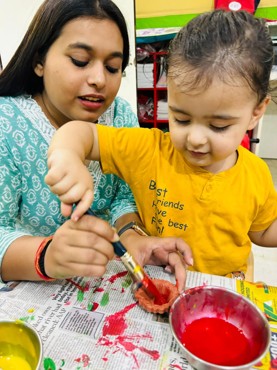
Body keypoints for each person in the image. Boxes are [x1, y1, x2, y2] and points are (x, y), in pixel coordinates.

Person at [46, 9, 277, 280]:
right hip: (157, 279)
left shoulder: (256, 174)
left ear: (256, 112)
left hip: (222, 288)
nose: (195, 138)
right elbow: (83, 134)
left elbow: (262, 231)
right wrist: (67, 155)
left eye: (218, 126)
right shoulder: (148, 149)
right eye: (181, 118)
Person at [0, 0, 192, 290]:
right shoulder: (7, 123)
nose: (99, 80)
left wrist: (132, 236)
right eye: (80, 61)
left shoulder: (121, 115)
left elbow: (123, 198)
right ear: (39, 61)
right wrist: (47, 256)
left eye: (113, 67)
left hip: (103, 281)